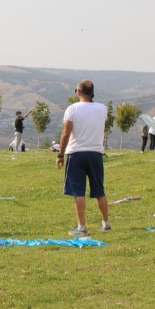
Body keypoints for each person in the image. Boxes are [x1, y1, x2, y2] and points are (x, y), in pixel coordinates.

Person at [56, 80, 110, 237]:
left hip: (76, 153)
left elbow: (66, 133)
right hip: (96, 153)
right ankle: (105, 223)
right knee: (99, 191)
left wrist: (60, 154)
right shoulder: (102, 108)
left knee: (78, 192)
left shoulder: (72, 109)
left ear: (78, 92)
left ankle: (82, 227)